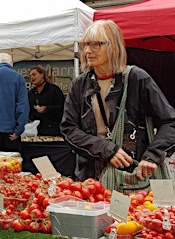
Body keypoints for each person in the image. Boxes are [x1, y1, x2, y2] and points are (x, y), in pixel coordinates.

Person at [60, 20, 175, 182]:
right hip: (91, 176)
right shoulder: (80, 84)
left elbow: (170, 121)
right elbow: (68, 129)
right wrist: (106, 149)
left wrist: (152, 156)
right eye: (85, 45)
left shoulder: (137, 78)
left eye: (96, 44)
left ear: (113, 46)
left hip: (130, 174)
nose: (87, 51)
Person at [28, 66, 65, 136]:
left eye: (34, 74)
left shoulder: (54, 90)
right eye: (30, 76)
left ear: (42, 75)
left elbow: (62, 107)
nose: (32, 77)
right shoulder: (31, 93)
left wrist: (46, 108)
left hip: (53, 130)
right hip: (35, 131)